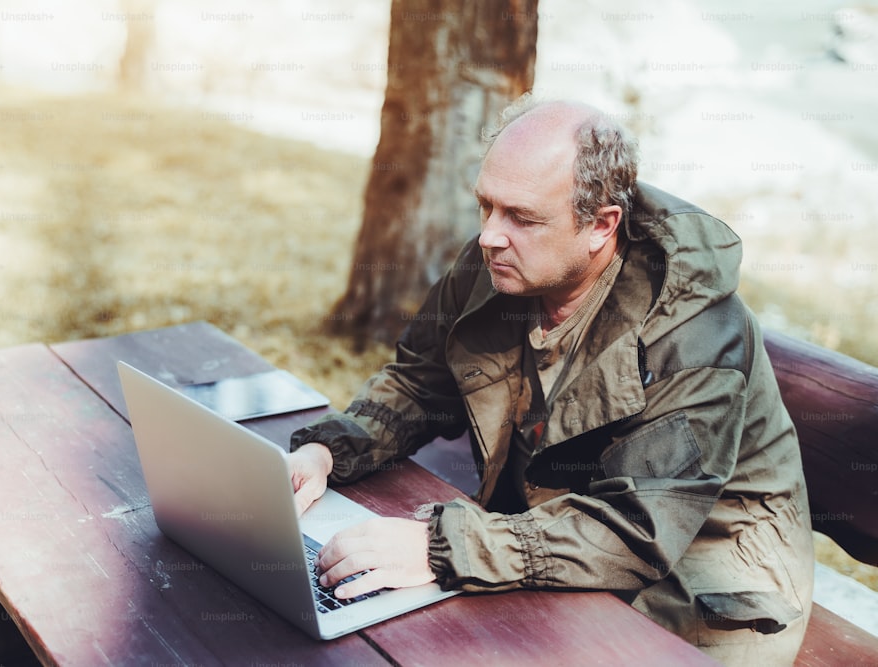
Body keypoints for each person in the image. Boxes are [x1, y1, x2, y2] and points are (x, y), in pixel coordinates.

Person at [287, 96, 814, 664]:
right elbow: (419, 383)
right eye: (486, 206)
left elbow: (640, 530)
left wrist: (444, 546)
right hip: (555, 529)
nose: (490, 235)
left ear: (602, 225)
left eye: (522, 217)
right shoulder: (502, 260)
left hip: (705, 581)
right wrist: (327, 451)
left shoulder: (692, 328)